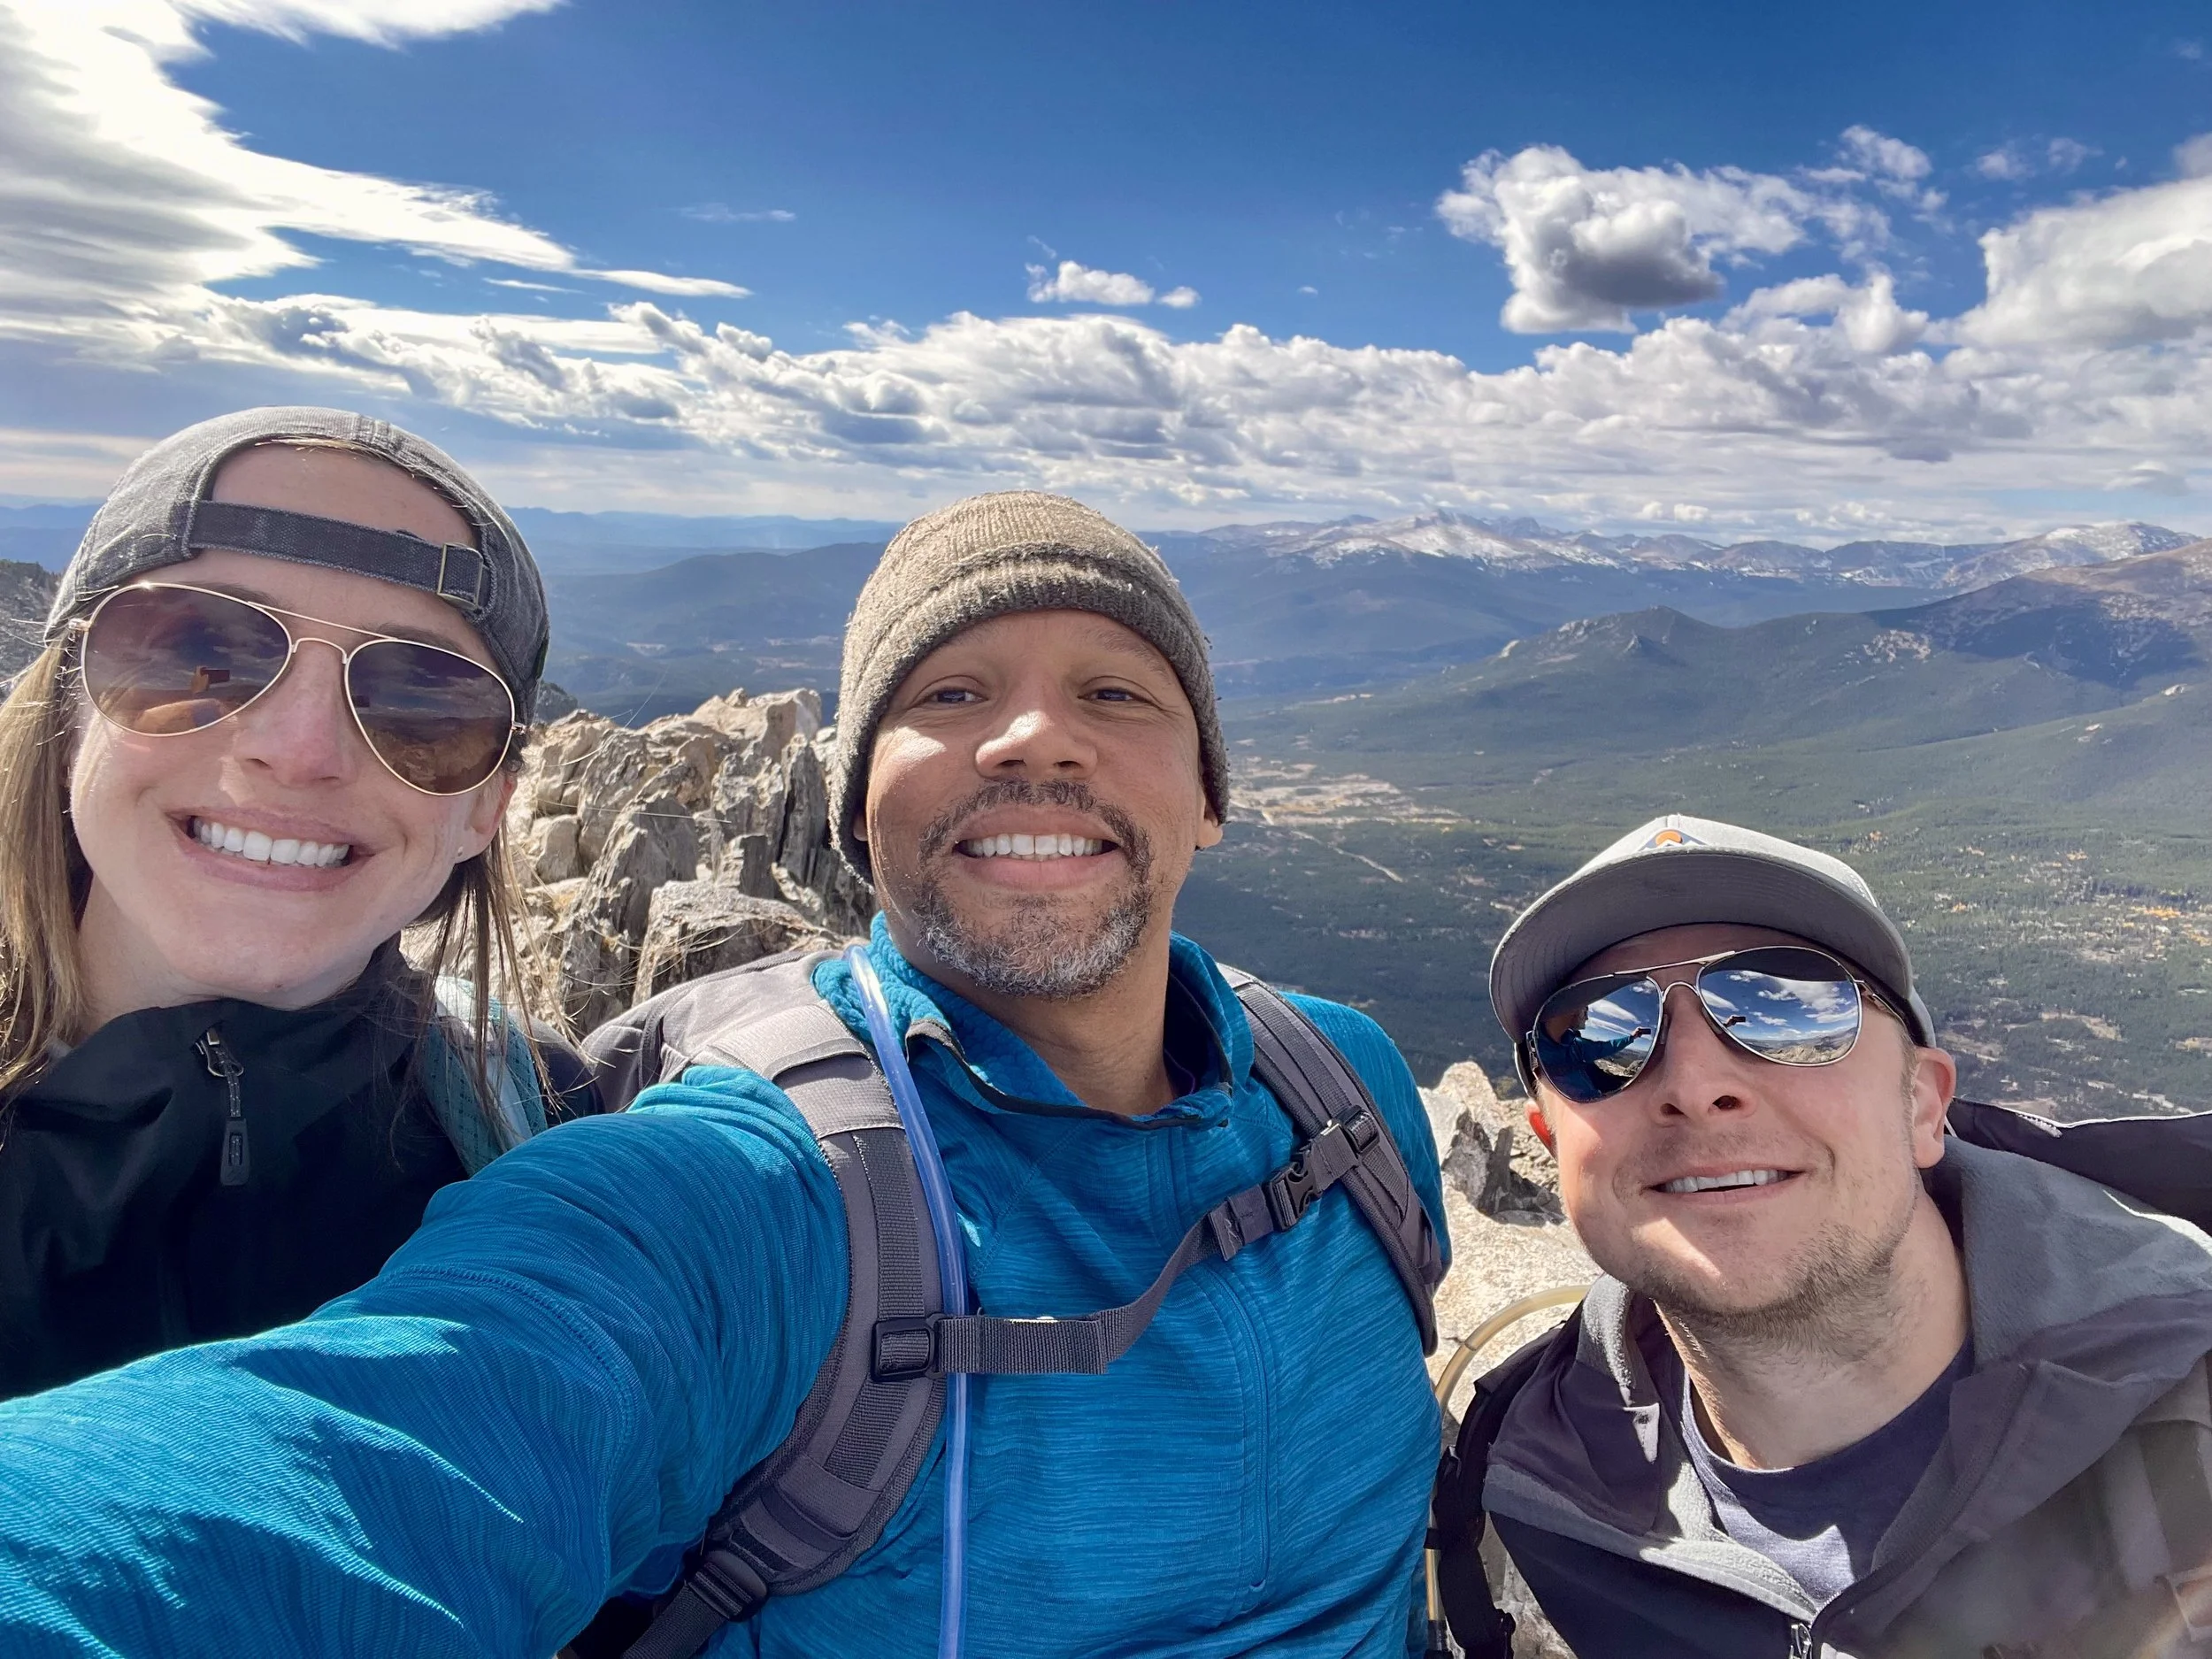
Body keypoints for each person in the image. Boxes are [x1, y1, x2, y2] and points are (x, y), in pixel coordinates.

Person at [0, 491, 1448, 1658]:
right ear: (851, 813)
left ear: (1208, 796)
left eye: (1118, 693)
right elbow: (366, 1459)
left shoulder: (1349, 1092)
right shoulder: (753, 1189)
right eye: (947, 692)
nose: (1032, 735)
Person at [1434, 814, 2212, 1659]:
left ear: (1922, 1105)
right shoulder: (1534, 1487)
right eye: (1598, 1035)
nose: (1694, 1085)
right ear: (1554, 1144)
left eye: (1785, 1008)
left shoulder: (2185, 1406)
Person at [0, 405, 590, 1403]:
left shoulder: (555, 1138)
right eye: (199, 652)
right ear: (69, 708)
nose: (300, 748)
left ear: (487, 806)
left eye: (420, 700)